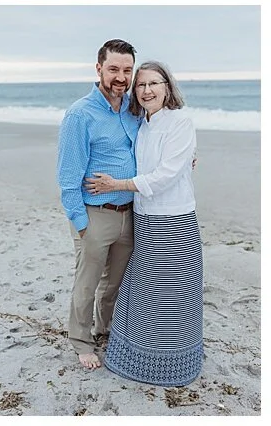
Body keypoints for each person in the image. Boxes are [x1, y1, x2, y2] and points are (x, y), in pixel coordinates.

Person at [85, 62, 203, 387]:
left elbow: (165, 176)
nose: (147, 90)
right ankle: (136, 352)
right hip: (143, 216)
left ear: (168, 87)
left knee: (175, 294)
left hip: (174, 218)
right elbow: (134, 159)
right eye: (141, 85)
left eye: (154, 83)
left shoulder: (180, 122)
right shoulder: (142, 123)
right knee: (143, 292)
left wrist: (116, 185)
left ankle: (173, 361)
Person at [55, 38, 141, 370]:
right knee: (87, 281)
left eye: (127, 70)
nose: (121, 77)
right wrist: (80, 222)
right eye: (114, 69)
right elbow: (68, 174)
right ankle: (81, 340)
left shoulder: (134, 108)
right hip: (94, 214)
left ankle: (106, 330)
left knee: (115, 281)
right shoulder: (80, 114)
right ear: (99, 69)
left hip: (129, 212)